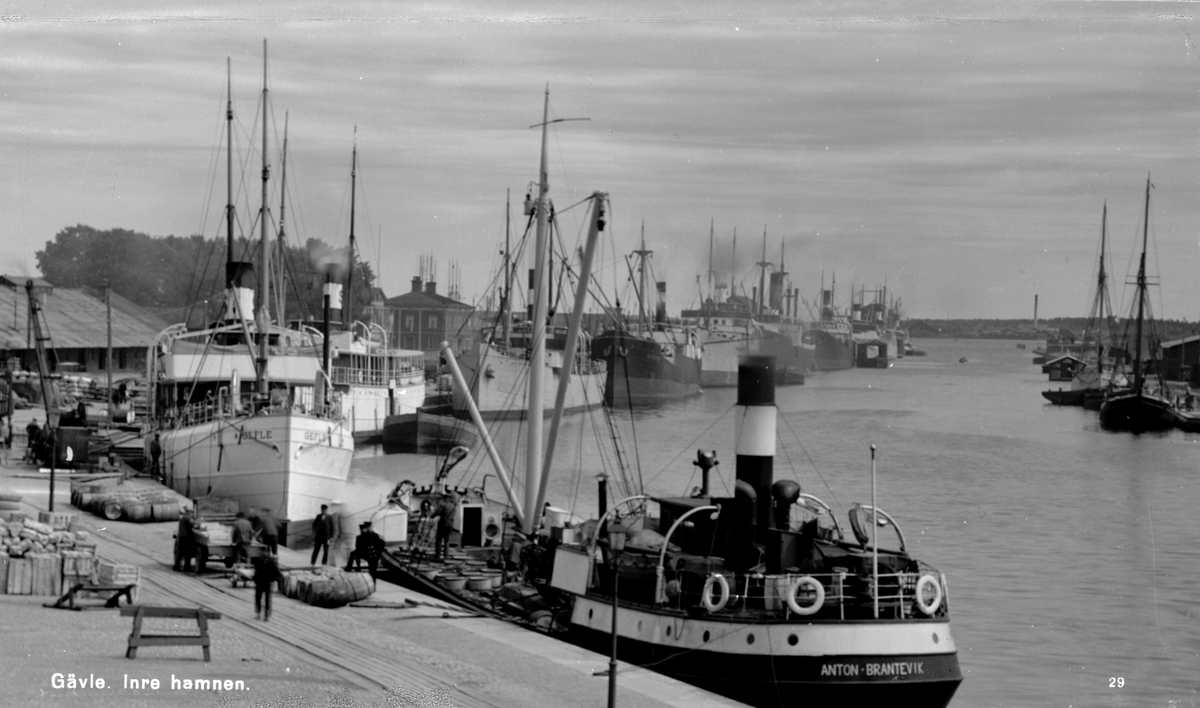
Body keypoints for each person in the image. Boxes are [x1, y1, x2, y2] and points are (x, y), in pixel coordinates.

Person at [429, 492, 458, 562]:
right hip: (450, 524)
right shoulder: (453, 506)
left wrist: (431, 516)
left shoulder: (443, 505)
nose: (443, 499)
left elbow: (437, 513)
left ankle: (437, 555)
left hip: (443, 523)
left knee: (439, 539)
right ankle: (446, 555)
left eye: (444, 498)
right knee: (447, 540)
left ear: (446, 498)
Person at [252, 553, 281, 622]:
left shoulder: (258, 561)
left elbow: (256, 572)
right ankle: (266, 616)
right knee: (267, 600)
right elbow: (277, 572)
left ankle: (258, 613)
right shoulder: (270, 562)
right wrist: (273, 579)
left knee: (258, 598)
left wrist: (255, 579)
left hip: (259, 583)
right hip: (267, 583)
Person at [174, 508, 198, 573]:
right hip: (186, 537)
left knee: (180, 552)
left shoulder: (183, 517)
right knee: (188, 553)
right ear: (190, 512)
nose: (192, 514)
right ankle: (186, 567)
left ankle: (177, 566)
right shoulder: (187, 517)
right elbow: (192, 523)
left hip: (181, 537)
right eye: (192, 513)